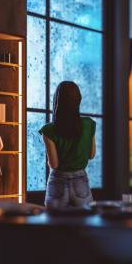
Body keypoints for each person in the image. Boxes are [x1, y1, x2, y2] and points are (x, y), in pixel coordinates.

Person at [39, 81, 96, 209]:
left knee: (55, 224)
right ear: (78, 100)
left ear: (57, 101)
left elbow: (54, 164)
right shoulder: (89, 124)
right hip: (81, 181)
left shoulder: (48, 130)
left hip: (58, 181)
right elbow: (91, 155)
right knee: (84, 223)